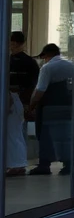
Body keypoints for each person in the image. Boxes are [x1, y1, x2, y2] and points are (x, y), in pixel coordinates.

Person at [28, 44, 74, 176]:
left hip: (49, 108)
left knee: (45, 136)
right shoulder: (72, 65)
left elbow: (40, 90)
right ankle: (68, 163)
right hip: (69, 106)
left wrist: (31, 105)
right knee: (64, 136)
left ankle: (44, 164)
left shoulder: (48, 67)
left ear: (46, 55)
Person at [7, 32, 38, 177]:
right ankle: (15, 163)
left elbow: (32, 85)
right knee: (14, 133)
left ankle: (17, 164)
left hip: (16, 99)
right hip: (14, 98)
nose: (12, 47)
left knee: (14, 132)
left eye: (13, 44)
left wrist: (27, 103)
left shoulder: (26, 62)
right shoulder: (12, 60)